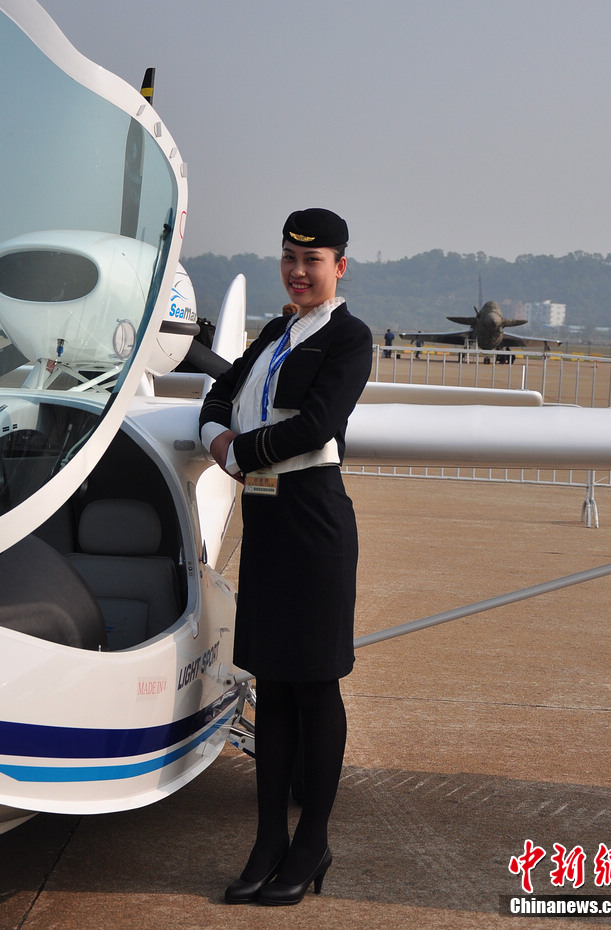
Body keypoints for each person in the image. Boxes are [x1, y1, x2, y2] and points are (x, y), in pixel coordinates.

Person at [199, 208, 372, 907]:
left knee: (314, 686)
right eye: (289, 259)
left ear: (339, 267)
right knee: (270, 685)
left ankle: (312, 841)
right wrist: (215, 438)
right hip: (266, 523)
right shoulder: (275, 333)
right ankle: (268, 840)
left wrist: (238, 454)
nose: (298, 272)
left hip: (313, 522)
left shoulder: (349, 337)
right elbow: (220, 393)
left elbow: (319, 422)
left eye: (313, 261)